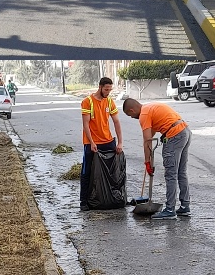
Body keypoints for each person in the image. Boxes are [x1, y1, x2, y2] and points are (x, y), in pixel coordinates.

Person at [123, 98, 192, 220]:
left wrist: (147, 162)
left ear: (132, 110)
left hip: (175, 135)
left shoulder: (143, 114)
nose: (131, 117)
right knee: (181, 172)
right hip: (184, 131)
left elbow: (147, 141)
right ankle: (185, 206)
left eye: (130, 115)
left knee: (171, 174)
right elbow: (152, 133)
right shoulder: (150, 107)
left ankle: (170, 209)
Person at [79, 77, 123, 211]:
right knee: (87, 171)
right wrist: (92, 143)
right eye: (106, 89)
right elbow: (86, 124)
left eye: (110, 89)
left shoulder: (109, 101)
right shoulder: (87, 102)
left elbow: (116, 122)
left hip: (108, 141)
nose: (108, 92)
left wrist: (120, 142)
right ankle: (84, 201)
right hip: (92, 143)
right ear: (100, 87)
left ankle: (114, 197)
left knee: (113, 170)